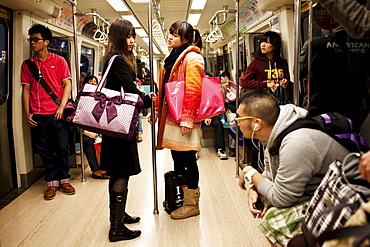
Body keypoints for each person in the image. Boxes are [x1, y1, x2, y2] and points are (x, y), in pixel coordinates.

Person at [236, 90, 349, 246]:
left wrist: (250, 171)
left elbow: (282, 198)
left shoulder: (295, 143)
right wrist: (254, 187)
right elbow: (272, 175)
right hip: (315, 189)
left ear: (257, 123)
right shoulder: (275, 132)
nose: (236, 122)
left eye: (239, 118)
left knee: (274, 219)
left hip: (343, 199)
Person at [100, 18, 156, 242]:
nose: (131, 41)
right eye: (127, 36)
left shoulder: (112, 57)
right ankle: (116, 228)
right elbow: (132, 92)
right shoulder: (118, 61)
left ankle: (118, 216)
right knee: (121, 171)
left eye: (133, 36)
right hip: (120, 127)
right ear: (118, 37)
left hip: (114, 124)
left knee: (117, 171)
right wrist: (148, 100)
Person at [149, 20, 203, 220]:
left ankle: (191, 204)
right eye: (170, 32)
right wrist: (155, 111)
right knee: (177, 159)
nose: (170, 36)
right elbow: (164, 90)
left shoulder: (192, 58)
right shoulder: (171, 58)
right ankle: (179, 197)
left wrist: (188, 118)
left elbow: (194, 89)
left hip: (183, 119)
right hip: (171, 117)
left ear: (186, 40)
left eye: (176, 34)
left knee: (189, 160)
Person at [21, 24, 75, 200]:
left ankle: (64, 179)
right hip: (38, 113)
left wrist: (61, 107)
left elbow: (67, 85)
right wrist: (27, 112)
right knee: (43, 149)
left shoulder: (59, 61)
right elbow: (26, 90)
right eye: (31, 40)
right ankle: (52, 182)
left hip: (57, 113)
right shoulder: (28, 65)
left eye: (36, 39)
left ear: (46, 42)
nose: (32, 43)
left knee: (62, 147)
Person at [300, 26, 370, 132]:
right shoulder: (365, 46)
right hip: (351, 106)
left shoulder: (314, 44)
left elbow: (300, 72)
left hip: (319, 106)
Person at [241, 31, 292, 105]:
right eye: (262, 42)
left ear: (275, 45)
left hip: (281, 99)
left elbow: (287, 79)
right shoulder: (255, 63)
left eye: (267, 42)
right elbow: (245, 83)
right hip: (263, 100)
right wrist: (266, 84)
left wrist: (285, 84)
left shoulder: (282, 62)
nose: (262, 45)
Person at [80, 75, 109, 179]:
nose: (92, 83)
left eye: (94, 82)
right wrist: (86, 132)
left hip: (97, 128)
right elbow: (75, 119)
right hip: (84, 131)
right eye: (90, 81)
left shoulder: (101, 98)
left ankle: (107, 168)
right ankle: (96, 170)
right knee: (88, 140)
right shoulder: (80, 98)